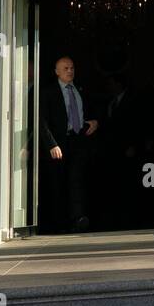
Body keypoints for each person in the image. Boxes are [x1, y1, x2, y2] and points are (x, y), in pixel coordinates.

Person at [38, 56, 100, 232]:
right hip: (59, 143)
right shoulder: (48, 92)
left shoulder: (80, 89)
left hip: (78, 141)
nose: (70, 71)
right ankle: (59, 223)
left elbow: (89, 111)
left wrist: (95, 122)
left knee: (77, 180)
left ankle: (78, 218)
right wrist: (51, 144)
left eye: (72, 68)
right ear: (57, 72)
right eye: (65, 68)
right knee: (58, 183)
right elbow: (42, 121)